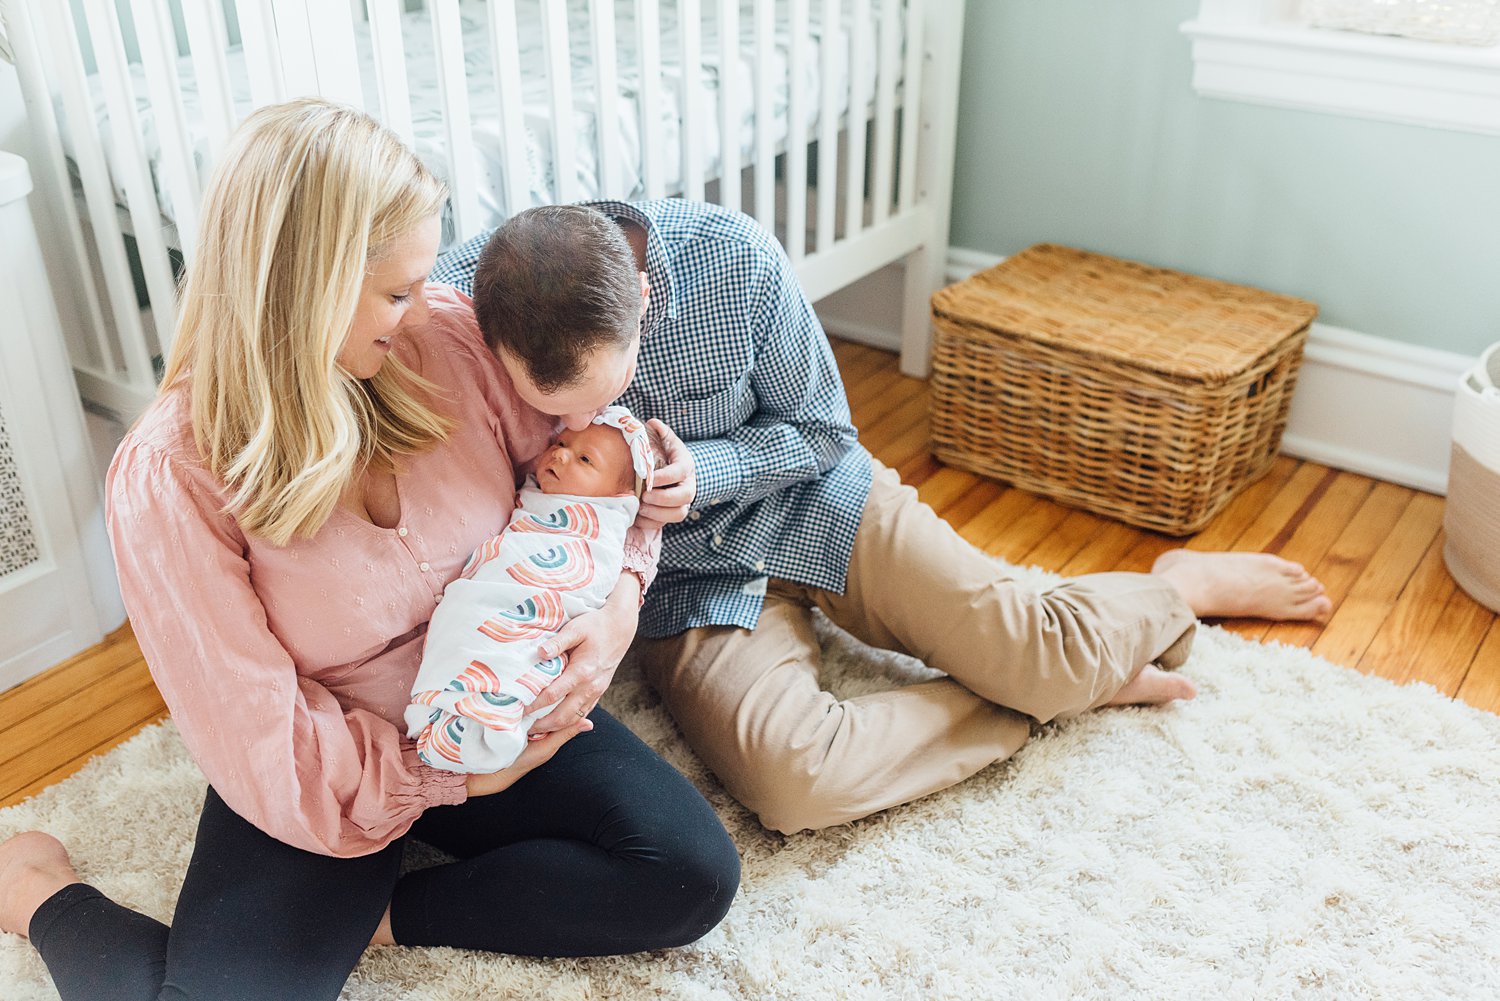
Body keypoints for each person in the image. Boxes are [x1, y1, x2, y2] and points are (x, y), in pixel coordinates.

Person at [0, 104, 737, 1001]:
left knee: (689, 872)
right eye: (396, 290)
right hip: (332, 758)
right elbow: (264, 739)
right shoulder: (172, 475)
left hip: (496, 693)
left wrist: (621, 596)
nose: (425, 305)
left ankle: (384, 917)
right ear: (303, 286)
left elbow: (603, 482)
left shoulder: (449, 341)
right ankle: (40, 893)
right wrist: (446, 778)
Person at [429, 199, 1334, 837]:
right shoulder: (460, 299)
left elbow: (824, 429)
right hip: (688, 584)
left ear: (645, 302)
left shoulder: (731, 259)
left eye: (606, 391)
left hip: (816, 505)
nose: (582, 420)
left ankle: (1173, 587)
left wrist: (709, 468)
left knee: (1044, 650)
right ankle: (1046, 691)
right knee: (795, 782)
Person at [407, 406, 660, 772]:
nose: (559, 454)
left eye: (585, 459)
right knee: (468, 616)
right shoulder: (532, 493)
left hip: (546, 605)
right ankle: (455, 704)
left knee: (525, 649)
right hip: (498, 594)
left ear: (620, 495)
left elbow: (583, 580)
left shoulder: (602, 526)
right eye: (561, 442)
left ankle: (493, 712)